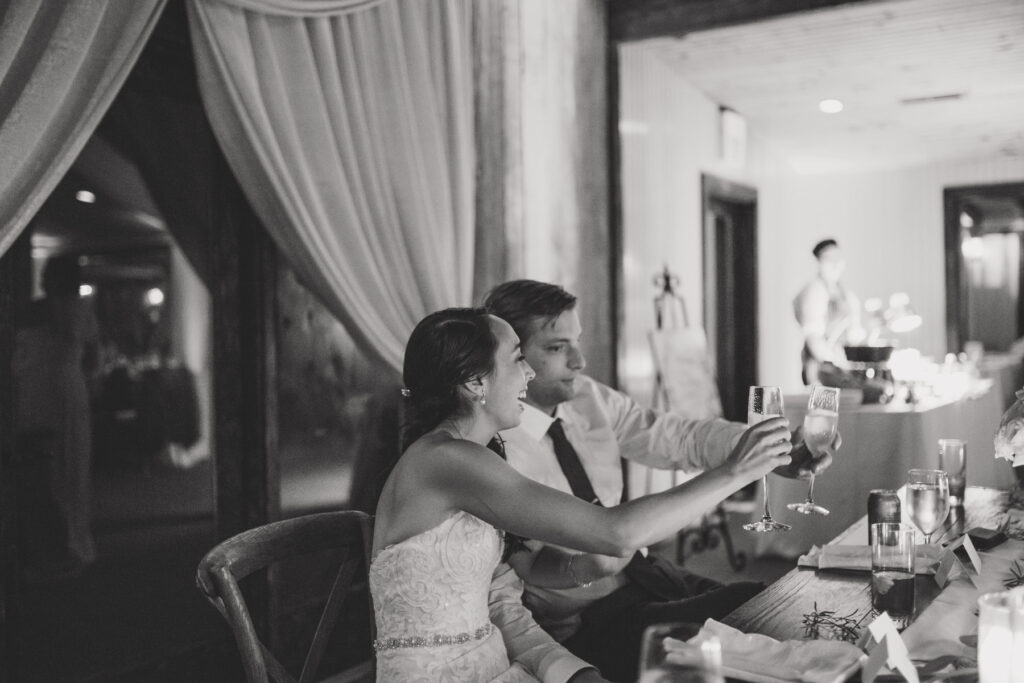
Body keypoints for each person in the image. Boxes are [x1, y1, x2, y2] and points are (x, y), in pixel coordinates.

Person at [370, 307, 796, 682]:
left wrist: (573, 662)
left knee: (759, 619)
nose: (529, 373)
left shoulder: (472, 457)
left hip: (500, 663)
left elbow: (508, 588)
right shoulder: (448, 460)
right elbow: (616, 533)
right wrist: (736, 472)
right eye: (518, 358)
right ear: (474, 381)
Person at [482, 280, 836, 682]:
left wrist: (770, 452)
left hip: (646, 573)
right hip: (587, 620)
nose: (579, 361)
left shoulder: (586, 396)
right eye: (556, 347)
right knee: (752, 622)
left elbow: (677, 436)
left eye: (576, 341)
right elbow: (515, 586)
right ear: (512, 357)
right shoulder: (493, 449)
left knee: (768, 604)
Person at [13, 255, 100, 580]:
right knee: (52, 470)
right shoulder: (61, 311)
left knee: (63, 469)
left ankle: (65, 545)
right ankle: (53, 545)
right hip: (46, 392)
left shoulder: (52, 310)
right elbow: (93, 360)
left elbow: (91, 357)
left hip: (56, 395)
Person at [792, 238, 865, 385]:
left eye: (838, 258)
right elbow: (813, 337)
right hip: (822, 370)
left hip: (842, 365)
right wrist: (834, 363)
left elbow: (855, 330)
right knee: (827, 399)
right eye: (829, 259)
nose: (836, 263)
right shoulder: (815, 292)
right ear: (820, 262)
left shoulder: (846, 294)